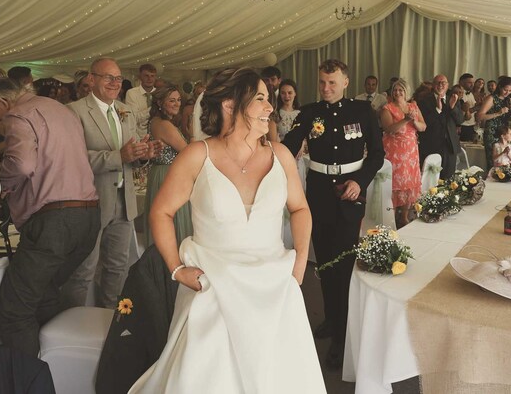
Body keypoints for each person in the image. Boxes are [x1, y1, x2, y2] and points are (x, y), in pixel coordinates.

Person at [128, 67, 326, 394]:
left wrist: (300, 261)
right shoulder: (197, 155)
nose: (269, 108)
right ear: (230, 105)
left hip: (275, 288)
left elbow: (300, 208)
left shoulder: (280, 156)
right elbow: (160, 212)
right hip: (214, 288)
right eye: (260, 99)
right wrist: (177, 269)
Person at [0, 77, 100, 357]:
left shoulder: (17, 113)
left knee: (14, 309)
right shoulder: (60, 109)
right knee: (45, 294)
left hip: (55, 221)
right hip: (88, 216)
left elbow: (23, 164)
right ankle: (55, 367)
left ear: (1, 103)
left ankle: (27, 382)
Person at [282, 59, 384, 369]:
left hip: (350, 193)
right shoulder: (310, 112)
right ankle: (331, 316)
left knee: (343, 264)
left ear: (345, 83)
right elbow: (289, 144)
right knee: (325, 262)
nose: (326, 88)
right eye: (322, 83)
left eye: (332, 83)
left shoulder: (362, 112)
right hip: (319, 193)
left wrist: (359, 181)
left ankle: (342, 335)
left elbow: (378, 154)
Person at [63, 58, 160, 309]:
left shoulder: (123, 109)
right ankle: (74, 323)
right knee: (83, 270)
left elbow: (130, 151)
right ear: (91, 79)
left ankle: (109, 322)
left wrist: (143, 154)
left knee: (118, 268)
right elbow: (72, 157)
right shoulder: (75, 111)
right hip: (91, 203)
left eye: (118, 79)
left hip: (124, 201)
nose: (115, 83)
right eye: (108, 78)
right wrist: (119, 156)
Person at [143, 85, 192, 246]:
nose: (177, 103)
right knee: (174, 226)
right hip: (169, 176)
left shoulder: (156, 122)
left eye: (178, 100)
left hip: (162, 174)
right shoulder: (164, 125)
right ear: (159, 103)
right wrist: (193, 136)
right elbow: (187, 152)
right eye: (171, 100)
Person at [380, 78, 426, 227]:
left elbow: (423, 126)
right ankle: (390, 218)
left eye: (401, 90)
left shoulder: (413, 106)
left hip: (411, 150)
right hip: (394, 151)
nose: (398, 92)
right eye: (395, 90)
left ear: (407, 92)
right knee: (394, 184)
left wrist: (415, 122)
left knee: (408, 183)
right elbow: (389, 129)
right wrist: (406, 120)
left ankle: (404, 216)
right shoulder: (387, 108)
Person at [417, 74, 464, 179]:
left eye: (443, 83)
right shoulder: (424, 101)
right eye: (438, 82)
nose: (441, 85)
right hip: (431, 145)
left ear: (447, 86)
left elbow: (460, 120)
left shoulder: (453, 99)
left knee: (448, 178)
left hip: (450, 146)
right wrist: (437, 110)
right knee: (431, 179)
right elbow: (424, 123)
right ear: (433, 85)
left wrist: (452, 107)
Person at [476, 76, 511, 170]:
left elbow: (505, 117)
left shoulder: (507, 99)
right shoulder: (491, 98)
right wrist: (498, 113)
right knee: (494, 160)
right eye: (505, 90)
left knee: (505, 159)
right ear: (500, 87)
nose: (507, 93)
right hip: (492, 133)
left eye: (510, 91)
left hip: (503, 133)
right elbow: (480, 116)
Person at [126, 63, 158, 137]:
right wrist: (154, 108)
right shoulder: (131, 93)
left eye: (152, 76)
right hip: (139, 137)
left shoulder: (160, 93)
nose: (149, 79)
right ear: (140, 77)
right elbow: (133, 118)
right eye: (146, 76)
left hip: (158, 135)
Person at [276, 78, 301, 143]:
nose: (286, 96)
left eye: (290, 93)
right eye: (283, 93)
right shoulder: (276, 114)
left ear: (295, 93)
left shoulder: (301, 113)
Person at [458, 73, 477, 141]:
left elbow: (473, 108)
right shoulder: (459, 93)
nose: (472, 85)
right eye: (469, 82)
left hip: (471, 125)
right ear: (462, 82)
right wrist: (480, 106)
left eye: (473, 82)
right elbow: (465, 110)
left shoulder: (470, 93)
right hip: (463, 126)